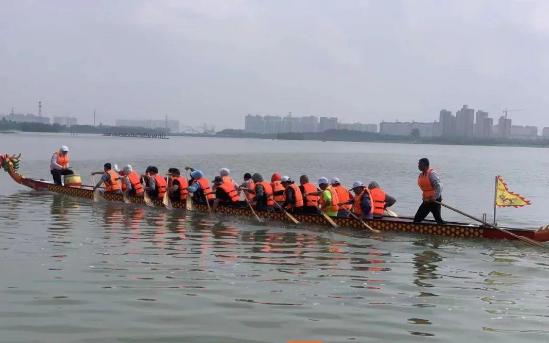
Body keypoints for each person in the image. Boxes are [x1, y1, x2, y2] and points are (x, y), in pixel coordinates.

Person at [414, 158, 444, 224]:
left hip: (434, 201)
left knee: (438, 220)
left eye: (420, 164)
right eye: (418, 164)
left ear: (425, 165)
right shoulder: (421, 175)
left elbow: (439, 186)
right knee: (416, 220)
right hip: (427, 201)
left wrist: (434, 197)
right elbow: (425, 188)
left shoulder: (432, 174)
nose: (418, 166)